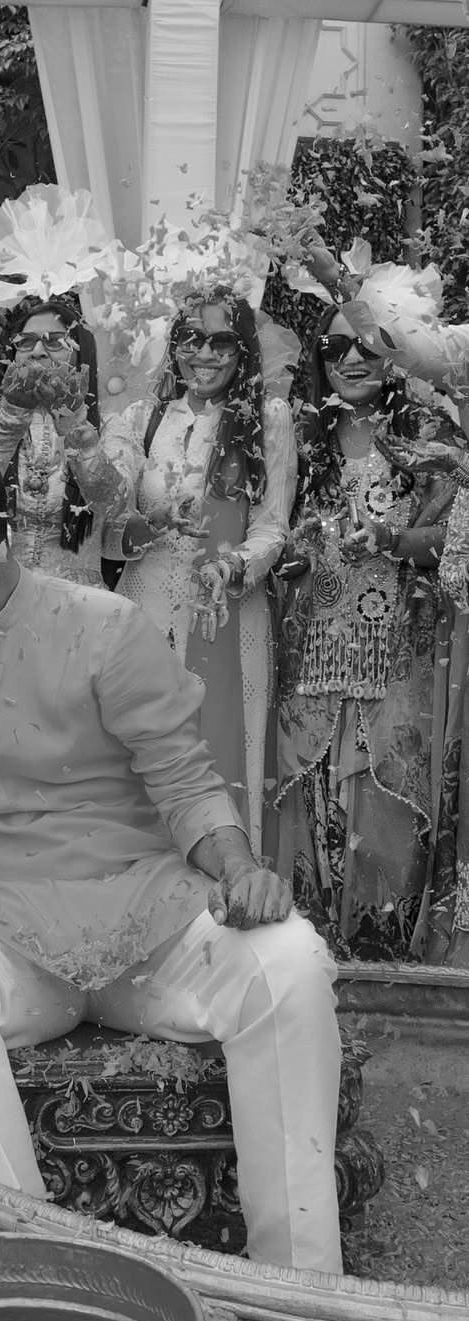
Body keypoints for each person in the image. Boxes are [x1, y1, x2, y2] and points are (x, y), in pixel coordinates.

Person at [0, 430, 344, 1274]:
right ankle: (34, 1269)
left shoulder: (105, 627)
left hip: (143, 919)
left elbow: (185, 780)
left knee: (288, 957)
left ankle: (299, 1285)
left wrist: (239, 869)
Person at [270, 307, 460, 960]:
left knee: (387, 800)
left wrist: (392, 538)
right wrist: (295, 551)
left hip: (394, 654)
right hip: (316, 650)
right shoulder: (301, 442)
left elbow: (453, 536)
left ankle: (382, 950)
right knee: (315, 790)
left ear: (394, 355)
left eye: (367, 346)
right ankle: (316, 952)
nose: (351, 358)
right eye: (336, 345)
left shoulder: (422, 440)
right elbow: (273, 530)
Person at [104, 285, 295, 854]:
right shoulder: (139, 419)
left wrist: (233, 567)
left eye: (221, 342)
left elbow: (272, 526)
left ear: (243, 353)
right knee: (135, 746)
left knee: (212, 752)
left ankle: (223, 878)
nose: (205, 354)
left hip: (227, 610)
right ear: (175, 344)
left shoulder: (267, 418)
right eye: (192, 339)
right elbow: (109, 530)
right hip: (144, 611)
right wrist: (148, 524)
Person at [0, 294, 114, 587]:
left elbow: (113, 508)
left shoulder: (110, 428)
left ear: (80, 355)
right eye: (26, 342)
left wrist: (75, 426)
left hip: (79, 610)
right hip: (1, 603)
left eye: (54, 341)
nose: (37, 351)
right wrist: (12, 416)